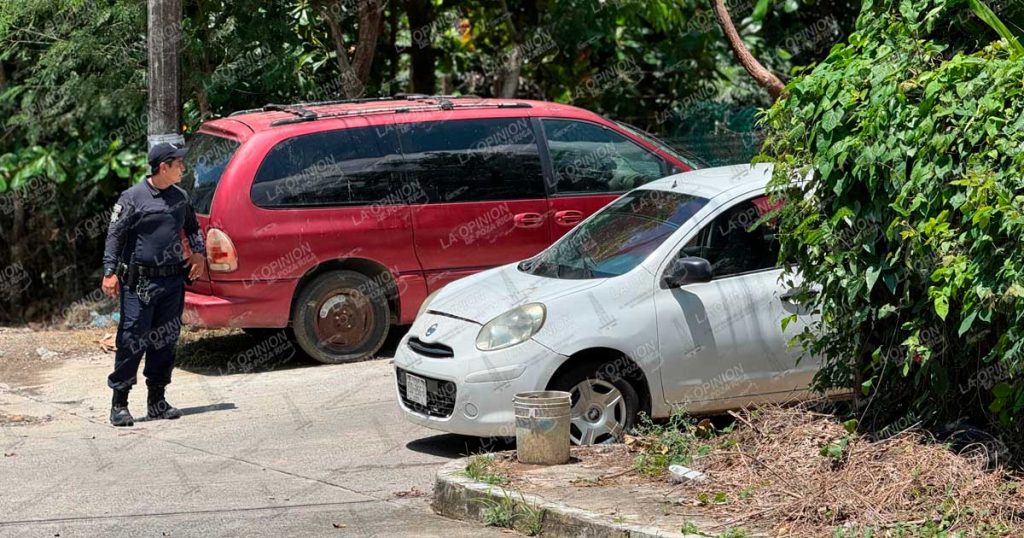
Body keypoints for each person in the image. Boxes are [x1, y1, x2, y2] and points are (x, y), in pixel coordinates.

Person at [100, 142, 206, 427]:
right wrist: (110, 271)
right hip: (140, 283)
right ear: (163, 167)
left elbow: (193, 228)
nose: (183, 168)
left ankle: (157, 401)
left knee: (166, 340)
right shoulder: (132, 197)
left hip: (172, 281)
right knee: (132, 339)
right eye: (178, 163)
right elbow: (114, 235)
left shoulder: (180, 197)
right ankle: (119, 403)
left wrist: (199, 253)